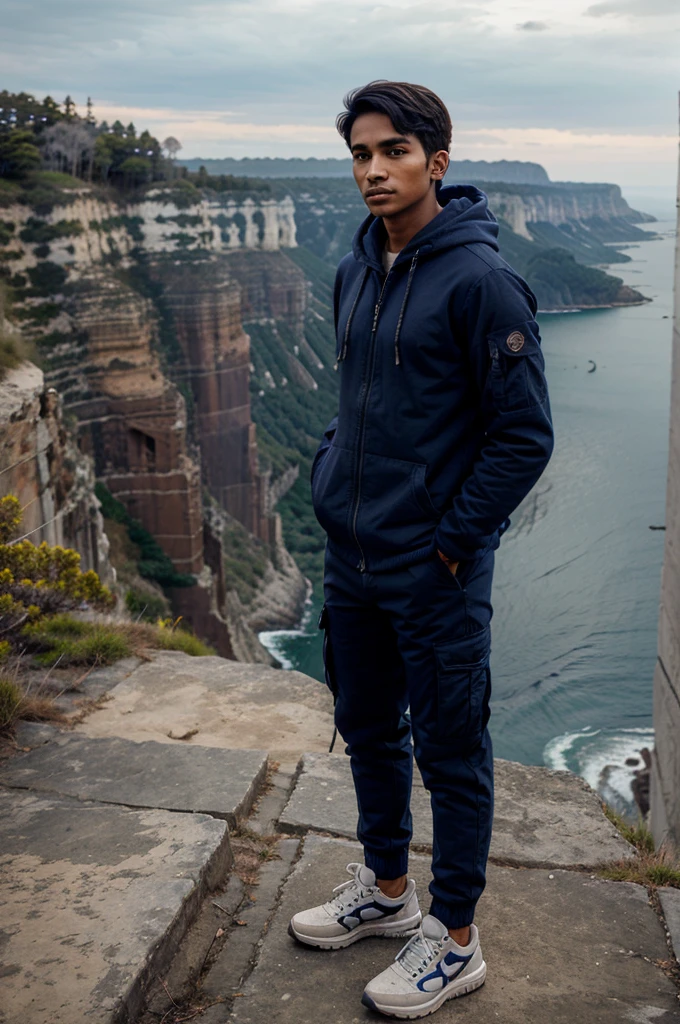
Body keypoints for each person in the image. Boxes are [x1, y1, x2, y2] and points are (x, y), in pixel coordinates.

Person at [288, 80, 554, 1020]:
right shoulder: (356, 266)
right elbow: (360, 404)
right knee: (366, 729)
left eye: (393, 151)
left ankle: (454, 939)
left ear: (435, 162)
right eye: (360, 154)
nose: (373, 170)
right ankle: (389, 894)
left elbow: (524, 436)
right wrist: (331, 483)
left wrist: (450, 542)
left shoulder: (482, 282)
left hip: (434, 570)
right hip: (353, 557)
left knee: (452, 752)